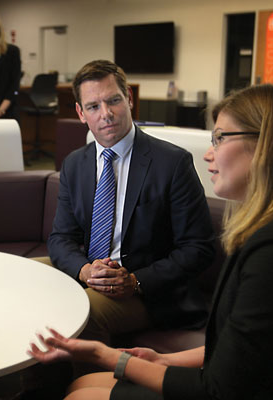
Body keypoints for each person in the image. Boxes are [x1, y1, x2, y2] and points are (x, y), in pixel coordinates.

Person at [29, 84, 273, 399]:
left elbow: (219, 387)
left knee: (83, 395)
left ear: (268, 145)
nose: (208, 154)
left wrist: (109, 356)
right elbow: (240, 348)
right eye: (93, 106)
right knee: (81, 385)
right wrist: (162, 359)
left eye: (219, 139)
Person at [48, 60, 216, 346]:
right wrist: (85, 271)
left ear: (129, 99)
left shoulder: (172, 163)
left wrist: (136, 281)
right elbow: (61, 238)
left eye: (113, 100)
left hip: (150, 292)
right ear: (80, 113)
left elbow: (198, 248)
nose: (106, 114)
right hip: (93, 274)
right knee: (27, 277)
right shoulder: (76, 163)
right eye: (93, 106)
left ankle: (81, 390)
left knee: (81, 311)